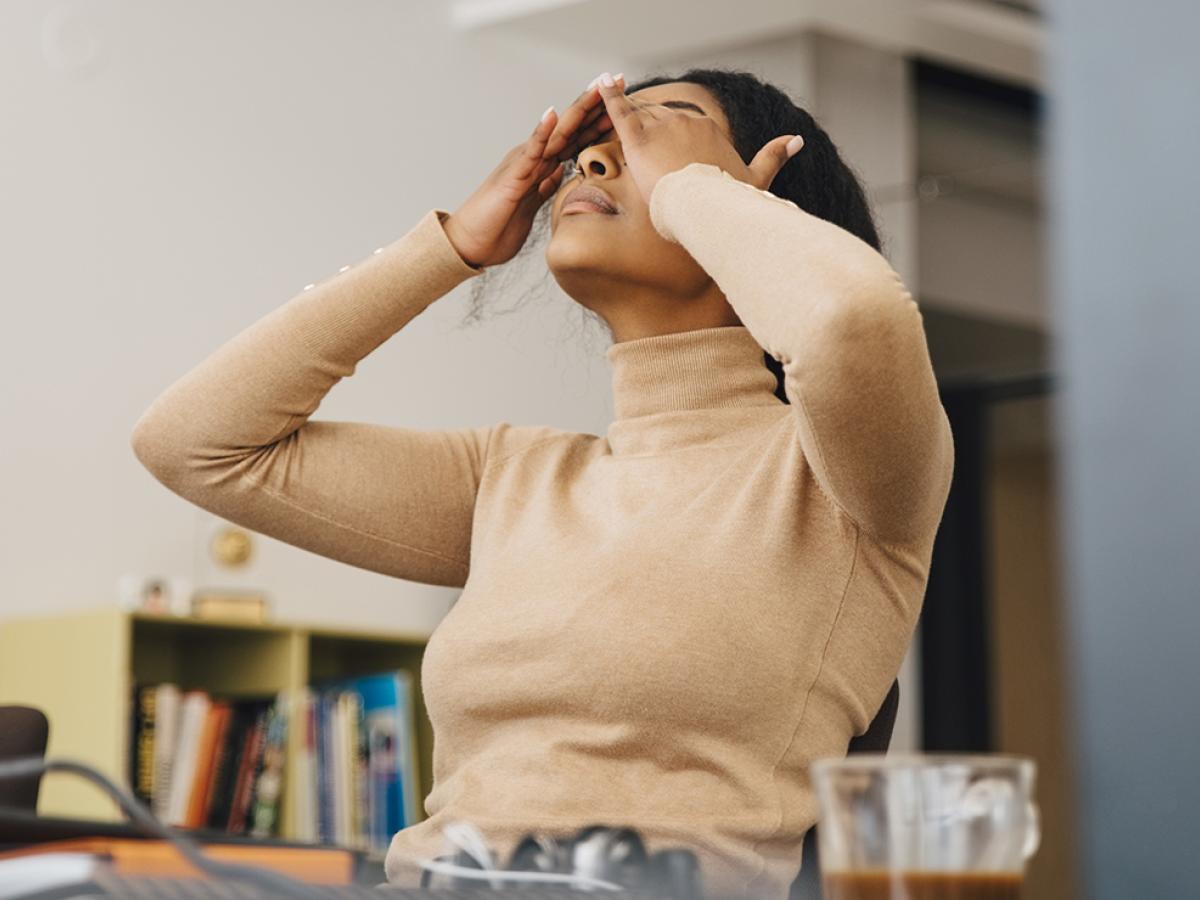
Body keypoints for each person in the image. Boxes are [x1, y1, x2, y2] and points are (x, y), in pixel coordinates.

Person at [130, 67, 954, 900]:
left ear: (760, 197)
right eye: (594, 146)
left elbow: (853, 321)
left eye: (653, 136)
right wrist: (446, 247)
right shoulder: (512, 477)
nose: (595, 161)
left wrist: (697, 196)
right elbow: (195, 444)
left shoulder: (845, 478)